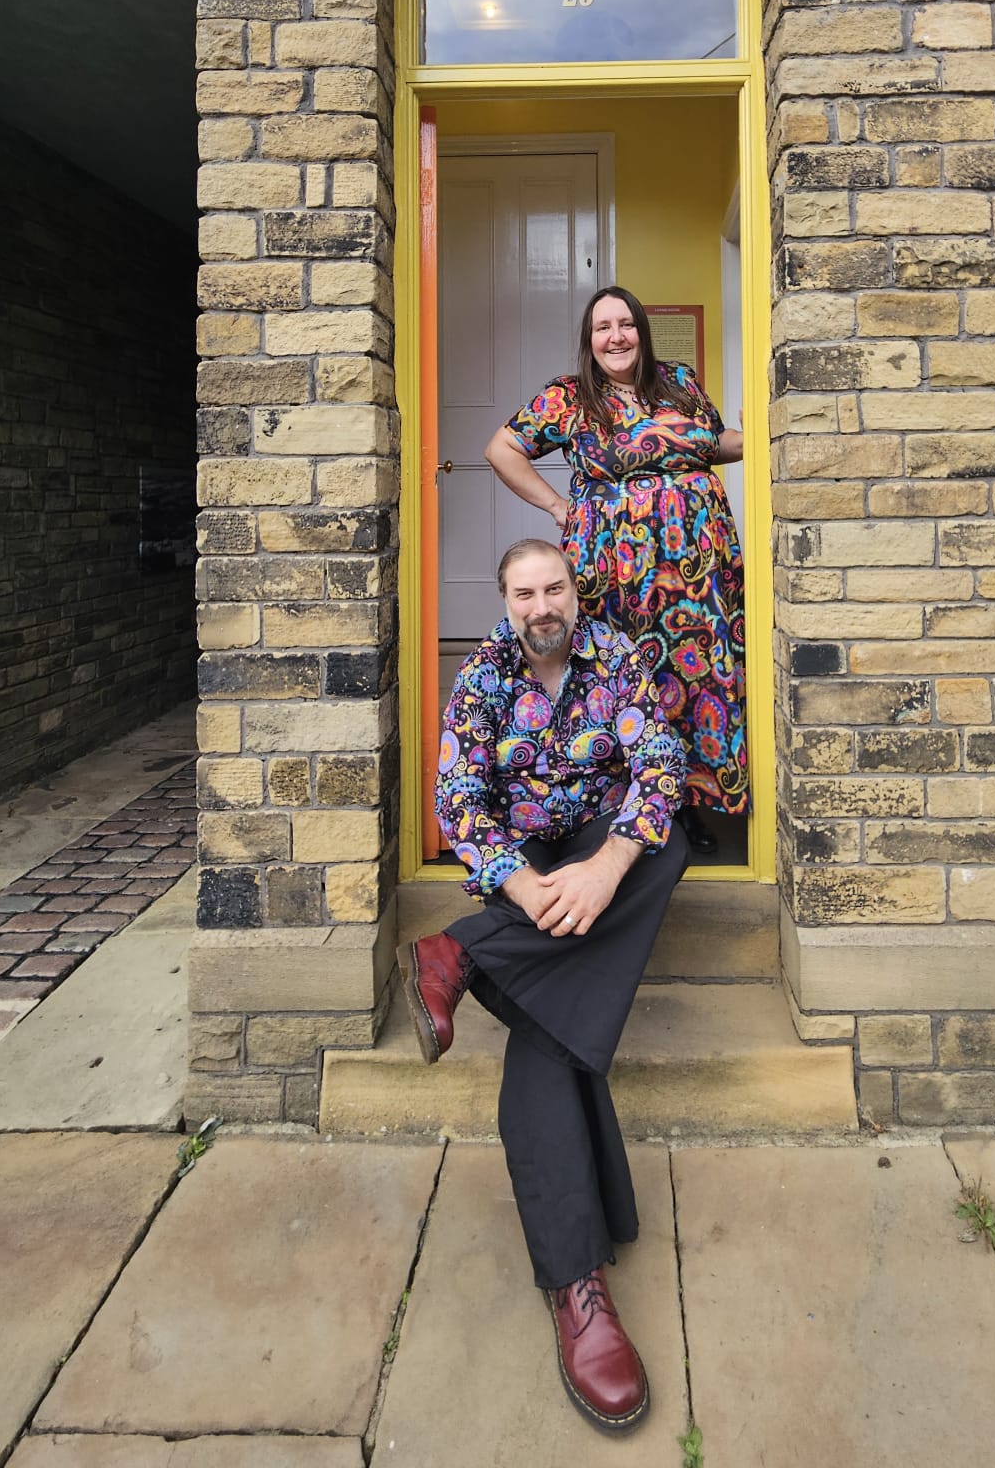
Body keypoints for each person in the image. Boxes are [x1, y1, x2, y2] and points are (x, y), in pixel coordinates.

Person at [398, 538, 689, 1433]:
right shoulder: (481, 679)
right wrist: (524, 886)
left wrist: (605, 868)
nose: (541, 606)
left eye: (554, 588)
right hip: (528, 873)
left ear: (575, 590)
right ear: (506, 601)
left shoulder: (619, 659)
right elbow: (459, 801)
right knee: (551, 1037)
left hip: (597, 856)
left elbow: (663, 767)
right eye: (524, 593)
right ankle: (577, 1289)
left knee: (663, 843)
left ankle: (464, 956)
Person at [483, 284, 747, 857]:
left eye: (625, 324)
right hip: (616, 576)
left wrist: (756, 437)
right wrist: (558, 506)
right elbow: (502, 448)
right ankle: (621, 809)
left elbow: (711, 443)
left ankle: (687, 806)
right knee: (628, 683)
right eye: (603, 328)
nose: (616, 337)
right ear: (590, 340)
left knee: (694, 681)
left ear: (641, 332)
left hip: (697, 576)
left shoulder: (680, 383)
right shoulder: (572, 397)